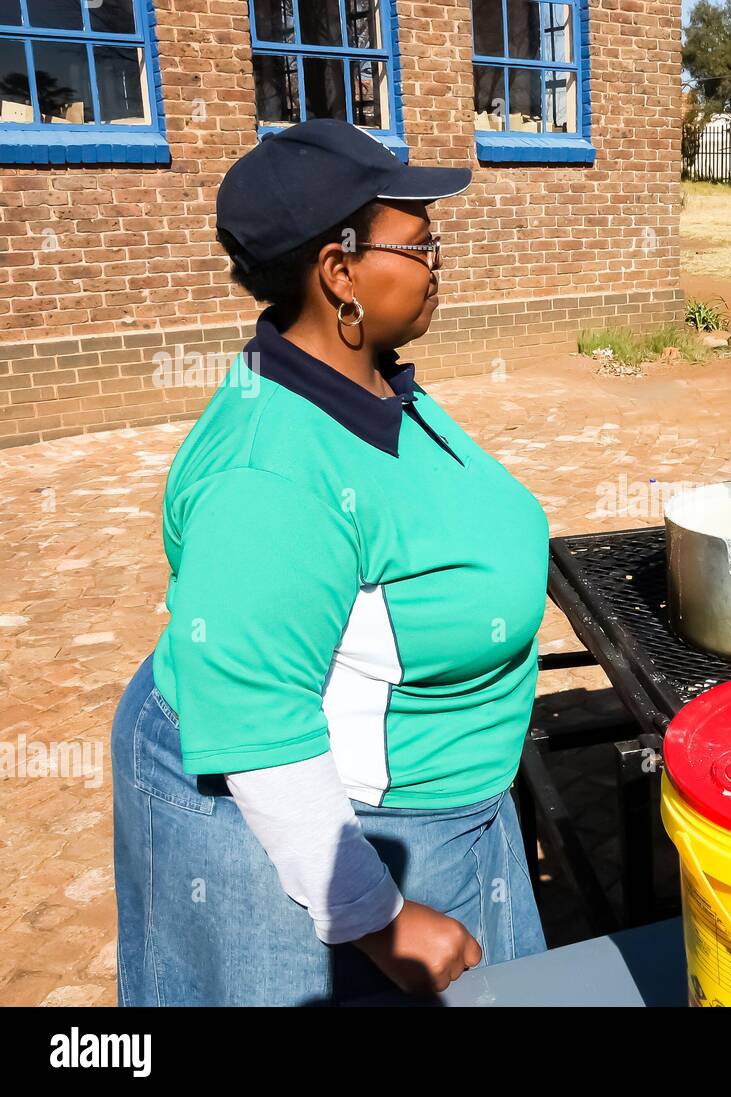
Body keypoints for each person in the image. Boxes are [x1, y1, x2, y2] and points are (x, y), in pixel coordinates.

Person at [112, 119, 550, 1005]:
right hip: (328, 820)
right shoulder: (270, 471)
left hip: (448, 805)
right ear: (339, 270)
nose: (437, 259)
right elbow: (259, 715)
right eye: (419, 241)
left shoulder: (366, 378)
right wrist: (378, 919)